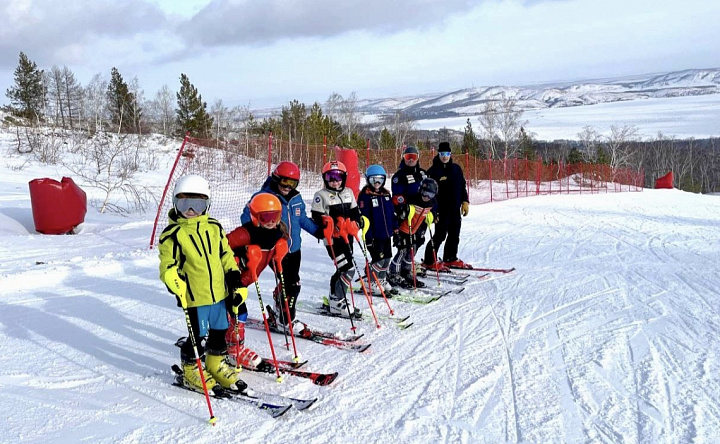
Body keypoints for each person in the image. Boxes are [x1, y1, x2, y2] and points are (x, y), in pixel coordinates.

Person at [158, 174, 245, 393]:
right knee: (197, 336)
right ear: (175, 203)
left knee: (219, 331)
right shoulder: (173, 234)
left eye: (197, 204)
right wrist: (172, 279)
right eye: (184, 203)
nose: (190, 210)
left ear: (207, 204)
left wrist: (235, 277)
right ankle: (191, 369)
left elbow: (225, 255)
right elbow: (167, 264)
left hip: (219, 293)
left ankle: (215, 364)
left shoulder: (214, 227)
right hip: (195, 297)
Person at [240, 161, 321, 328]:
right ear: (276, 178)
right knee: (291, 285)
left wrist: (318, 231)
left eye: (292, 183)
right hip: (275, 250)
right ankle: (285, 318)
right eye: (284, 182)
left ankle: (281, 308)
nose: (288, 186)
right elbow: (247, 217)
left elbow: (302, 219)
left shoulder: (296, 198)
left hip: (294, 249)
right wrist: (258, 236)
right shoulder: (263, 197)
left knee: (292, 283)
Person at [225, 192, 289, 369]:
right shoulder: (245, 233)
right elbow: (220, 248)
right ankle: (233, 351)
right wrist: (240, 258)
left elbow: (267, 259)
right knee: (239, 311)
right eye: (265, 216)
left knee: (231, 311)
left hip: (245, 280)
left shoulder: (277, 235)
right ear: (255, 216)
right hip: (230, 278)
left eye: (274, 216)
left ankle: (221, 339)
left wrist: (279, 259)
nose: (270, 221)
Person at [311, 160, 363, 316]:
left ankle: (335, 298)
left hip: (348, 238)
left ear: (344, 178)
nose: (334, 181)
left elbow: (356, 213)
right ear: (325, 179)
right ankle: (337, 302)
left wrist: (356, 224)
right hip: (333, 240)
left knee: (343, 268)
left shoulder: (348, 193)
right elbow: (316, 216)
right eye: (330, 177)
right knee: (347, 269)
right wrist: (328, 223)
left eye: (338, 177)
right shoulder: (321, 196)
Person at [422, 142, 470, 269]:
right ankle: (429, 260)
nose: (445, 156)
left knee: (454, 234)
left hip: (455, 208)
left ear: (450, 154)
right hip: (441, 210)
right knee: (440, 235)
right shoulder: (433, 171)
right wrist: (433, 210)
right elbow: (428, 194)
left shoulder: (456, 169)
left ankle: (450, 258)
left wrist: (465, 201)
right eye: (442, 154)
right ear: (439, 154)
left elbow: (462, 186)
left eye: (447, 154)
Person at [388, 177, 438, 288]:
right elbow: (398, 209)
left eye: (430, 195)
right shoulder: (413, 199)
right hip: (404, 229)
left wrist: (433, 215)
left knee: (412, 252)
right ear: (420, 190)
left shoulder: (432, 202)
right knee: (402, 251)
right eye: (425, 193)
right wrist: (403, 211)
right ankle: (393, 273)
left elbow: (433, 210)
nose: (427, 197)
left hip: (415, 230)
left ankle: (406, 272)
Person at [357, 164, 399, 295]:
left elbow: (392, 213)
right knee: (378, 260)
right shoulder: (365, 196)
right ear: (368, 179)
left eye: (380, 180)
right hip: (374, 236)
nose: (376, 183)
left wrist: (396, 230)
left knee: (387, 258)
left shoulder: (386, 194)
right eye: (373, 180)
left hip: (386, 234)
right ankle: (370, 282)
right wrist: (368, 237)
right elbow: (364, 219)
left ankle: (381, 280)